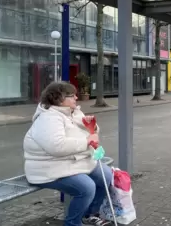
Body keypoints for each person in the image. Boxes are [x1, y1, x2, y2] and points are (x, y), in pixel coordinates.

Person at [23, 82, 113, 226]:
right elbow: (57, 147)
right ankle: (73, 222)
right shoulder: (49, 118)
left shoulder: (74, 112)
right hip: (50, 168)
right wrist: (86, 141)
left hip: (74, 162)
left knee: (106, 176)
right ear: (58, 99)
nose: (76, 98)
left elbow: (90, 134)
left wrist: (93, 127)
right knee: (86, 188)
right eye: (71, 96)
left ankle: (90, 214)